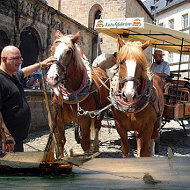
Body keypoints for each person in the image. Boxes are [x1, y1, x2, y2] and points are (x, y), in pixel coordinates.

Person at [0, 45, 57, 152]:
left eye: (20, 58)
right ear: (4, 59)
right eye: (15, 58)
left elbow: (24, 71)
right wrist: (6, 136)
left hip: (17, 138)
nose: (20, 61)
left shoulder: (13, 75)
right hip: (6, 141)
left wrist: (41, 64)